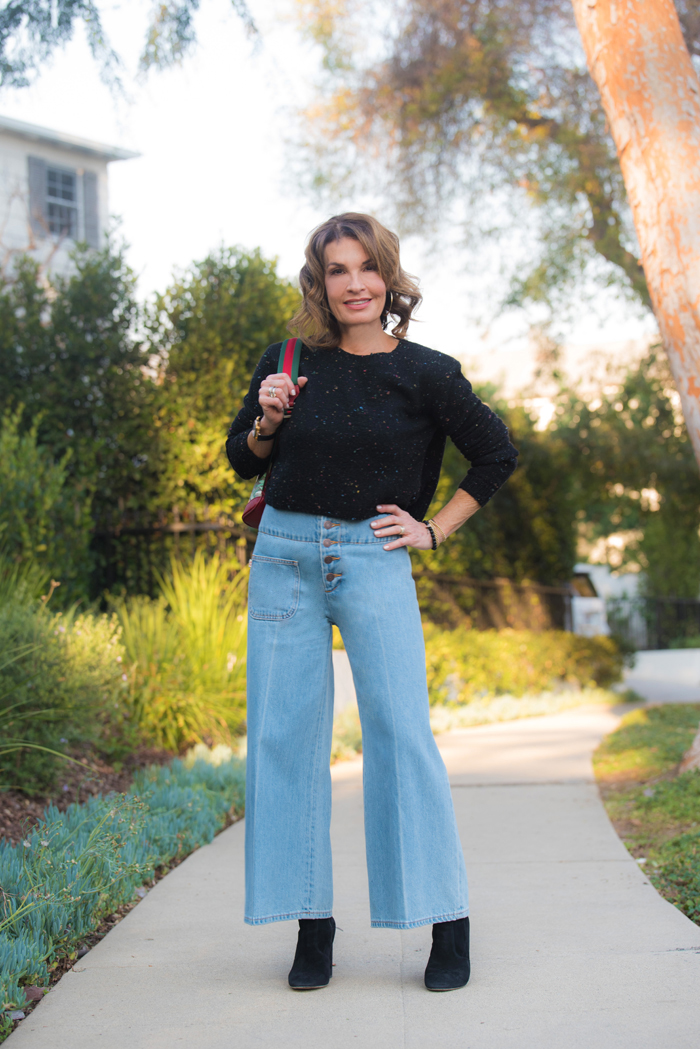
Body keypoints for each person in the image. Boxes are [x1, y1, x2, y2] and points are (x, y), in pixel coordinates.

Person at [226, 213, 518, 992]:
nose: (353, 283)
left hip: (373, 556)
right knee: (285, 740)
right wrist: (267, 418)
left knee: (400, 734)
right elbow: (238, 459)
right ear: (319, 283)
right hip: (284, 556)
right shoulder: (288, 361)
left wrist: (434, 531)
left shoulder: (426, 372)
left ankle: (444, 920)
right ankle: (310, 925)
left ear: (386, 276)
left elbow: (496, 451)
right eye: (336, 271)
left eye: (365, 268)